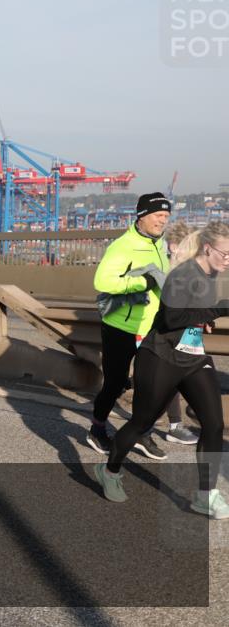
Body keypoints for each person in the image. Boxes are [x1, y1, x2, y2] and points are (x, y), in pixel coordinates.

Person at [94, 221, 229, 519]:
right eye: (226, 253)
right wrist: (220, 309)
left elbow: (194, 312)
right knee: (142, 422)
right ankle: (109, 470)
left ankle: (205, 496)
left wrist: (208, 318)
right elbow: (170, 319)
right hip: (161, 357)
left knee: (213, 424)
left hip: (192, 356)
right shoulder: (182, 275)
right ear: (208, 249)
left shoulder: (211, 272)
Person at [87, 192, 171, 460]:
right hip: (121, 327)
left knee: (152, 385)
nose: (163, 221)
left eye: (166, 216)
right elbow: (103, 282)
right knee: (114, 384)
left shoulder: (160, 244)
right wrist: (141, 283)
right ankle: (97, 429)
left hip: (151, 327)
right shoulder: (122, 247)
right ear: (142, 216)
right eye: (158, 215)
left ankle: (140, 434)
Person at [160, 221, 200, 445]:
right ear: (174, 247)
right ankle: (174, 425)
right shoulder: (165, 270)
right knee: (173, 376)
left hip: (190, 330)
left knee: (189, 372)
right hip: (169, 333)